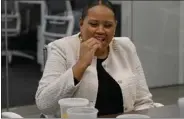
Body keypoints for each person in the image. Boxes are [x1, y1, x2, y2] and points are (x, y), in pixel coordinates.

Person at [35, 0, 159, 117]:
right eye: (94, 24)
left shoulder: (126, 47)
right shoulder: (63, 48)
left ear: (115, 26)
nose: (100, 31)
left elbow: (143, 102)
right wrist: (81, 64)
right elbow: (44, 104)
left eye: (108, 25)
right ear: (81, 23)